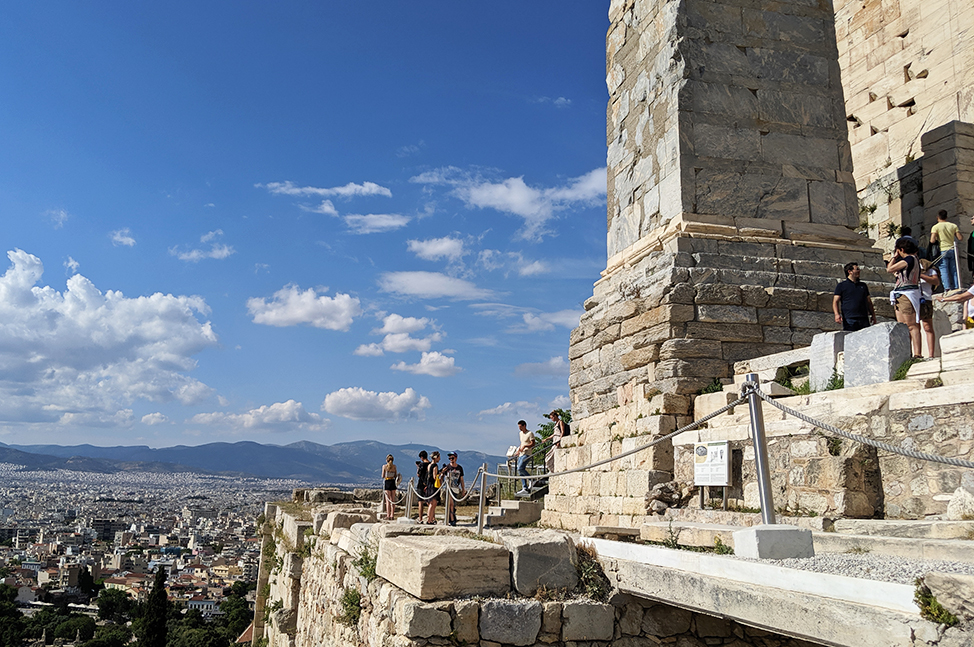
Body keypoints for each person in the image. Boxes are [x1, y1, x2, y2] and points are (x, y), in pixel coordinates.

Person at [887, 237, 923, 358]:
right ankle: (908, 352)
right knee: (903, 325)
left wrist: (894, 257)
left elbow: (889, 269)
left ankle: (917, 353)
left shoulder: (909, 259)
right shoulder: (913, 259)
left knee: (912, 325)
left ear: (901, 249)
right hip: (901, 294)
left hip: (907, 294)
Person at [832, 262, 876, 331]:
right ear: (850, 271)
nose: (859, 271)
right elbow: (835, 301)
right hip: (849, 318)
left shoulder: (863, 285)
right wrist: (836, 314)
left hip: (863, 317)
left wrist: (873, 315)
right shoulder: (841, 286)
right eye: (857, 269)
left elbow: (869, 302)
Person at [930, 210, 962, 291]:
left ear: (938, 217)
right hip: (952, 249)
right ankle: (956, 287)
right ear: (946, 217)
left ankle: (947, 288)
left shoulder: (935, 227)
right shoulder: (953, 225)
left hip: (942, 250)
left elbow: (932, 240)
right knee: (954, 270)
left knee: (944, 270)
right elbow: (960, 238)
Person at [919, 260, 940, 358]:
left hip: (925, 299)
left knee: (927, 327)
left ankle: (931, 355)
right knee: (914, 327)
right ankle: (916, 354)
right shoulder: (905, 265)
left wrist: (921, 275)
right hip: (911, 298)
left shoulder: (927, 267)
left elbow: (936, 281)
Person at [439, 451, 465, 526]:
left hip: (455, 488)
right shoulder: (447, 467)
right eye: (449, 458)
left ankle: (451, 517)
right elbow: (442, 477)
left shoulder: (459, 468)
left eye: (452, 458)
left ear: (456, 458)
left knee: (453, 504)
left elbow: (462, 479)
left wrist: (463, 489)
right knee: (451, 504)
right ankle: (452, 519)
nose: (451, 459)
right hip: (448, 488)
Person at [544, 410, 570, 475]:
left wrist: (560, 440)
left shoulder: (560, 422)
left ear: (555, 416)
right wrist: (547, 438)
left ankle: (553, 470)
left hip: (558, 439)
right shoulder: (556, 423)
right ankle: (552, 469)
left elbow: (562, 432)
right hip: (555, 439)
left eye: (552, 417)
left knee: (552, 455)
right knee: (548, 455)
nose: (551, 419)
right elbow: (554, 434)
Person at [515, 420, 536, 497]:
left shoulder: (530, 433)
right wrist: (518, 450)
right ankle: (525, 487)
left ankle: (531, 479)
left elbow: (533, 443)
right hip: (521, 453)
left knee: (520, 468)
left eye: (520, 427)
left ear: (524, 426)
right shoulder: (520, 433)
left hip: (527, 453)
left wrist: (526, 446)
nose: (519, 429)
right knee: (520, 470)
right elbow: (522, 442)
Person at [425, 451, 440, 524]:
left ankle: (430, 519)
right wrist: (440, 473)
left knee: (431, 503)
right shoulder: (435, 466)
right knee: (432, 503)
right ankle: (429, 520)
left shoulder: (429, 465)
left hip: (429, 485)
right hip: (433, 486)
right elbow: (434, 477)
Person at [381, 454, 398, 521]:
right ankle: (392, 515)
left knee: (388, 500)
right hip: (393, 482)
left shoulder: (384, 466)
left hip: (387, 482)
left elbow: (383, 475)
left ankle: (388, 515)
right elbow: (395, 475)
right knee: (392, 500)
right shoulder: (394, 467)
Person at [416, 450, 431, 521]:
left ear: (421, 457)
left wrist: (418, 468)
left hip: (421, 484)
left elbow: (418, 474)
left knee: (420, 502)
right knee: (429, 502)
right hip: (428, 484)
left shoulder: (421, 465)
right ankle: (431, 518)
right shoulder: (430, 464)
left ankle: (420, 518)